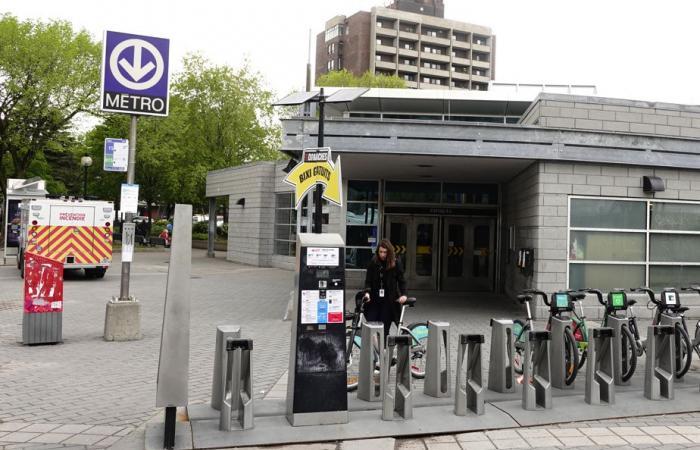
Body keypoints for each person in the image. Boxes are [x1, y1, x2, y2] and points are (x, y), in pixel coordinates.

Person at [363, 239, 408, 336]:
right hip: (375, 299)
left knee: (384, 327)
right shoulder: (373, 262)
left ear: (389, 252)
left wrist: (404, 295)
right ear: (377, 251)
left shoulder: (395, 262)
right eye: (381, 252)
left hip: (389, 300)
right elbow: (368, 281)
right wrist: (367, 292)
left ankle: (383, 349)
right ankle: (375, 347)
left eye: (385, 252)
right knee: (371, 323)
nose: (383, 254)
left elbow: (402, 281)